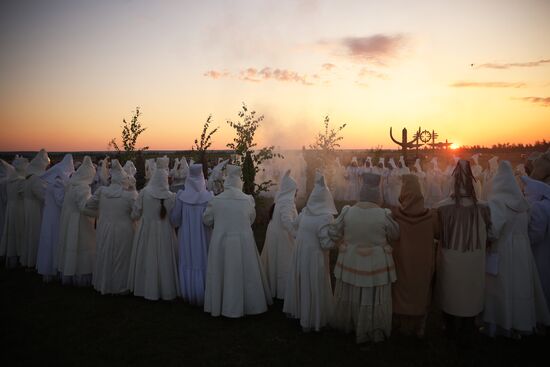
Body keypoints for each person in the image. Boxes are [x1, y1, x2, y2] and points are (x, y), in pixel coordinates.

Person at [323, 172, 400, 343]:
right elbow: (395, 234)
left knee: (352, 292)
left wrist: (343, 241)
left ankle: (350, 322)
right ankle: (373, 327)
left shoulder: (348, 212)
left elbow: (333, 232)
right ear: (377, 194)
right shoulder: (384, 214)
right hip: (377, 264)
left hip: (351, 260)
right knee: (372, 296)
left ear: (361, 192)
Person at [482, 161, 550, 337]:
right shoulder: (523, 203)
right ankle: (521, 323)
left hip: (503, 250)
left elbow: (495, 230)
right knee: (519, 286)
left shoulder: (497, 202)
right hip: (523, 251)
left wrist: (486, 238)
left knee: (501, 287)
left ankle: (500, 325)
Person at [203, 165, 272, 317]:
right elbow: (251, 219)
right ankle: (250, 304)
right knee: (246, 272)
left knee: (223, 271)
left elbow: (207, 220)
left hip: (221, 240)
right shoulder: (247, 200)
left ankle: (222, 304)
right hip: (244, 240)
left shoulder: (216, 200)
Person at [435, 159, 491, 344]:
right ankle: (468, 326)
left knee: (451, 287)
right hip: (474, 258)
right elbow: (491, 233)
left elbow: (436, 233)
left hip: (450, 256)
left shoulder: (442, 207)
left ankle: (450, 326)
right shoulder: (484, 208)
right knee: (470, 288)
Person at [283, 171, 337, 332]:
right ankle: (313, 317)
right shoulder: (326, 218)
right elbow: (325, 243)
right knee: (313, 283)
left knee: (302, 281)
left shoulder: (306, 211)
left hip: (301, 252)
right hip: (315, 256)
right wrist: (337, 239)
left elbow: (294, 224)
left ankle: (301, 311)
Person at [391, 174, 438, 338]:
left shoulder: (395, 216)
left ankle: (401, 324)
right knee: (421, 289)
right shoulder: (431, 217)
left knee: (401, 288)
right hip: (423, 262)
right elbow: (439, 234)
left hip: (402, 261)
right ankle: (419, 327)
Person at [128, 156, 180, 301]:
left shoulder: (145, 192)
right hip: (165, 232)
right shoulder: (172, 197)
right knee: (165, 259)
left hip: (146, 230)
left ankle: (144, 286)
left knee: (146, 257)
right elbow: (174, 219)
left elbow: (136, 213)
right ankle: (165, 288)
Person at [86, 160, 137, 295]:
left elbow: (88, 205)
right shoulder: (130, 195)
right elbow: (137, 212)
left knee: (105, 254)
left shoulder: (102, 192)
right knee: (121, 259)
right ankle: (121, 286)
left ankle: (104, 284)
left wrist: (101, 213)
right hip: (124, 230)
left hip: (104, 228)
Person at [170, 164, 213, 306]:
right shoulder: (209, 196)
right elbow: (212, 220)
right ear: (202, 177)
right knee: (204, 258)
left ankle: (190, 290)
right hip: (204, 235)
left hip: (187, 235)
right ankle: (206, 290)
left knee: (189, 259)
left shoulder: (182, 196)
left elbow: (175, 220)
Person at [57, 156, 97, 287]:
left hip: (69, 218)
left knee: (71, 245)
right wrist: (98, 211)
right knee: (81, 245)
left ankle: (70, 271)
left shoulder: (72, 183)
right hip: (79, 221)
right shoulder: (82, 187)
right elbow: (84, 206)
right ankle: (81, 274)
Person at [36, 154, 74, 282]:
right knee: (54, 239)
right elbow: (61, 201)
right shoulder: (58, 181)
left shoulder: (53, 180)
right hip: (56, 215)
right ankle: (53, 269)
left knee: (49, 240)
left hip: (49, 214)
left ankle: (49, 268)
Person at [261, 169, 298, 300]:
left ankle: (274, 287)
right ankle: (283, 292)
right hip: (282, 236)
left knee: (275, 260)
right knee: (284, 262)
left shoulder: (280, 199)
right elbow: (287, 221)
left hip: (274, 233)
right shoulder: (287, 202)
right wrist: (296, 235)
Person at [521, 176, 550, 309]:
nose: (526, 197)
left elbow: (536, 234)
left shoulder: (539, 207)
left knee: (541, 280)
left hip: (541, 251)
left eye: (527, 194)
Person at [20, 149, 50, 268]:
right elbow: (43, 196)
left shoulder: (28, 177)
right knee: (34, 234)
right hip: (35, 210)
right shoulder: (36, 179)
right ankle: (33, 260)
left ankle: (28, 259)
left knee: (29, 234)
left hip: (28, 207)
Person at [0, 157, 28, 267]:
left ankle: (11, 254)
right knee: (19, 230)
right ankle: (20, 254)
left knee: (11, 230)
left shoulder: (8, 181)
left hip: (10, 208)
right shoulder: (21, 181)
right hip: (19, 208)